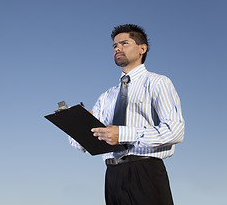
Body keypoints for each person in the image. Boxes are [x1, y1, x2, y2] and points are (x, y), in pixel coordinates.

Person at [69, 24, 185, 205]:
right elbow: (82, 145)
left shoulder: (158, 83)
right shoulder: (106, 96)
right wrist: (76, 124)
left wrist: (122, 134)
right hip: (113, 175)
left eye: (124, 43)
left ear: (142, 49)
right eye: (114, 45)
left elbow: (175, 130)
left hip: (146, 171)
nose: (117, 48)